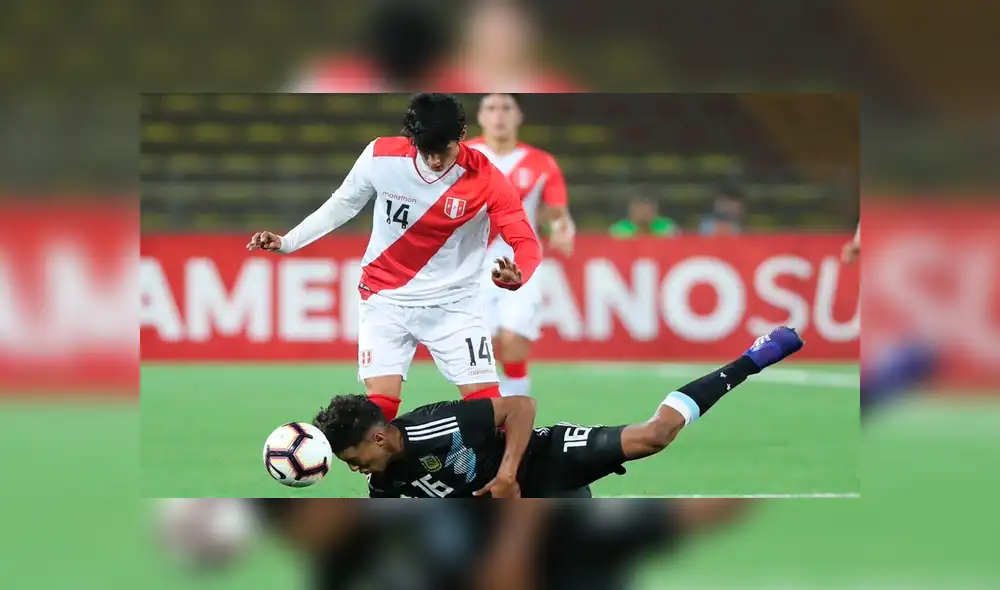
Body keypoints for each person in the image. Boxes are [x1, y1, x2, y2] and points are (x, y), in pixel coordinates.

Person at [247, 93, 542, 422]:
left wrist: (520, 274)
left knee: (491, 415)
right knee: (378, 416)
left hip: (454, 305)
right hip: (384, 299)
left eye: (441, 151)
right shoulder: (380, 156)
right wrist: (288, 242)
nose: (433, 161)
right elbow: (342, 204)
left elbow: (526, 241)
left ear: (460, 136)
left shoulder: (487, 179)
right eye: (424, 150)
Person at [314, 326, 804, 498]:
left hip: (540, 458)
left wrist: (507, 476)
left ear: (377, 438)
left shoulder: (436, 424)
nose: (354, 467)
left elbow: (521, 408)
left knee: (654, 436)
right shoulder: (385, 485)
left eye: (353, 456)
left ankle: (751, 359)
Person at [465, 93, 575, 399]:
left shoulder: (541, 163)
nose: (499, 115)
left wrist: (562, 230)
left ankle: (515, 417)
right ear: (481, 116)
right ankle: (488, 417)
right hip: (469, 262)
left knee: (513, 340)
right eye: (491, 108)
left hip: (521, 260)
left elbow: (556, 212)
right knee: (478, 347)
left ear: (518, 116)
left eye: (506, 108)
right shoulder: (464, 155)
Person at [609, 197, 678, 238]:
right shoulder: (620, 228)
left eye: (647, 209)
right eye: (639, 209)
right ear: (632, 211)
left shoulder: (666, 226)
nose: (643, 213)